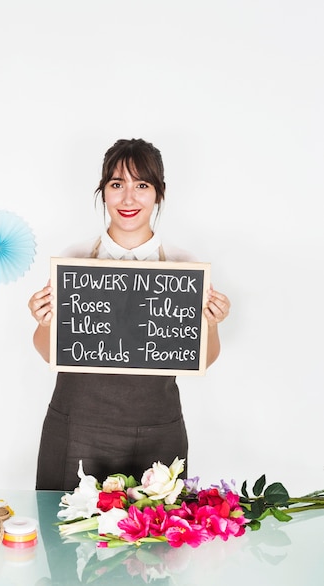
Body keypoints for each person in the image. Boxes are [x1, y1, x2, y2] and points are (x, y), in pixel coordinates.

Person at [28, 138, 230, 491]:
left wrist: (210, 326)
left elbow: (204, 359)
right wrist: (44, 321)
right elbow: (50, 352)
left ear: (159, 194)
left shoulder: (185, 267)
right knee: (63, 539)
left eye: (142, 185)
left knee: (154, 542)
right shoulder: (74, 260)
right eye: (117, 184)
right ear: (103, 191)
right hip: (77, 426)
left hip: (155, 433)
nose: (128, 198)